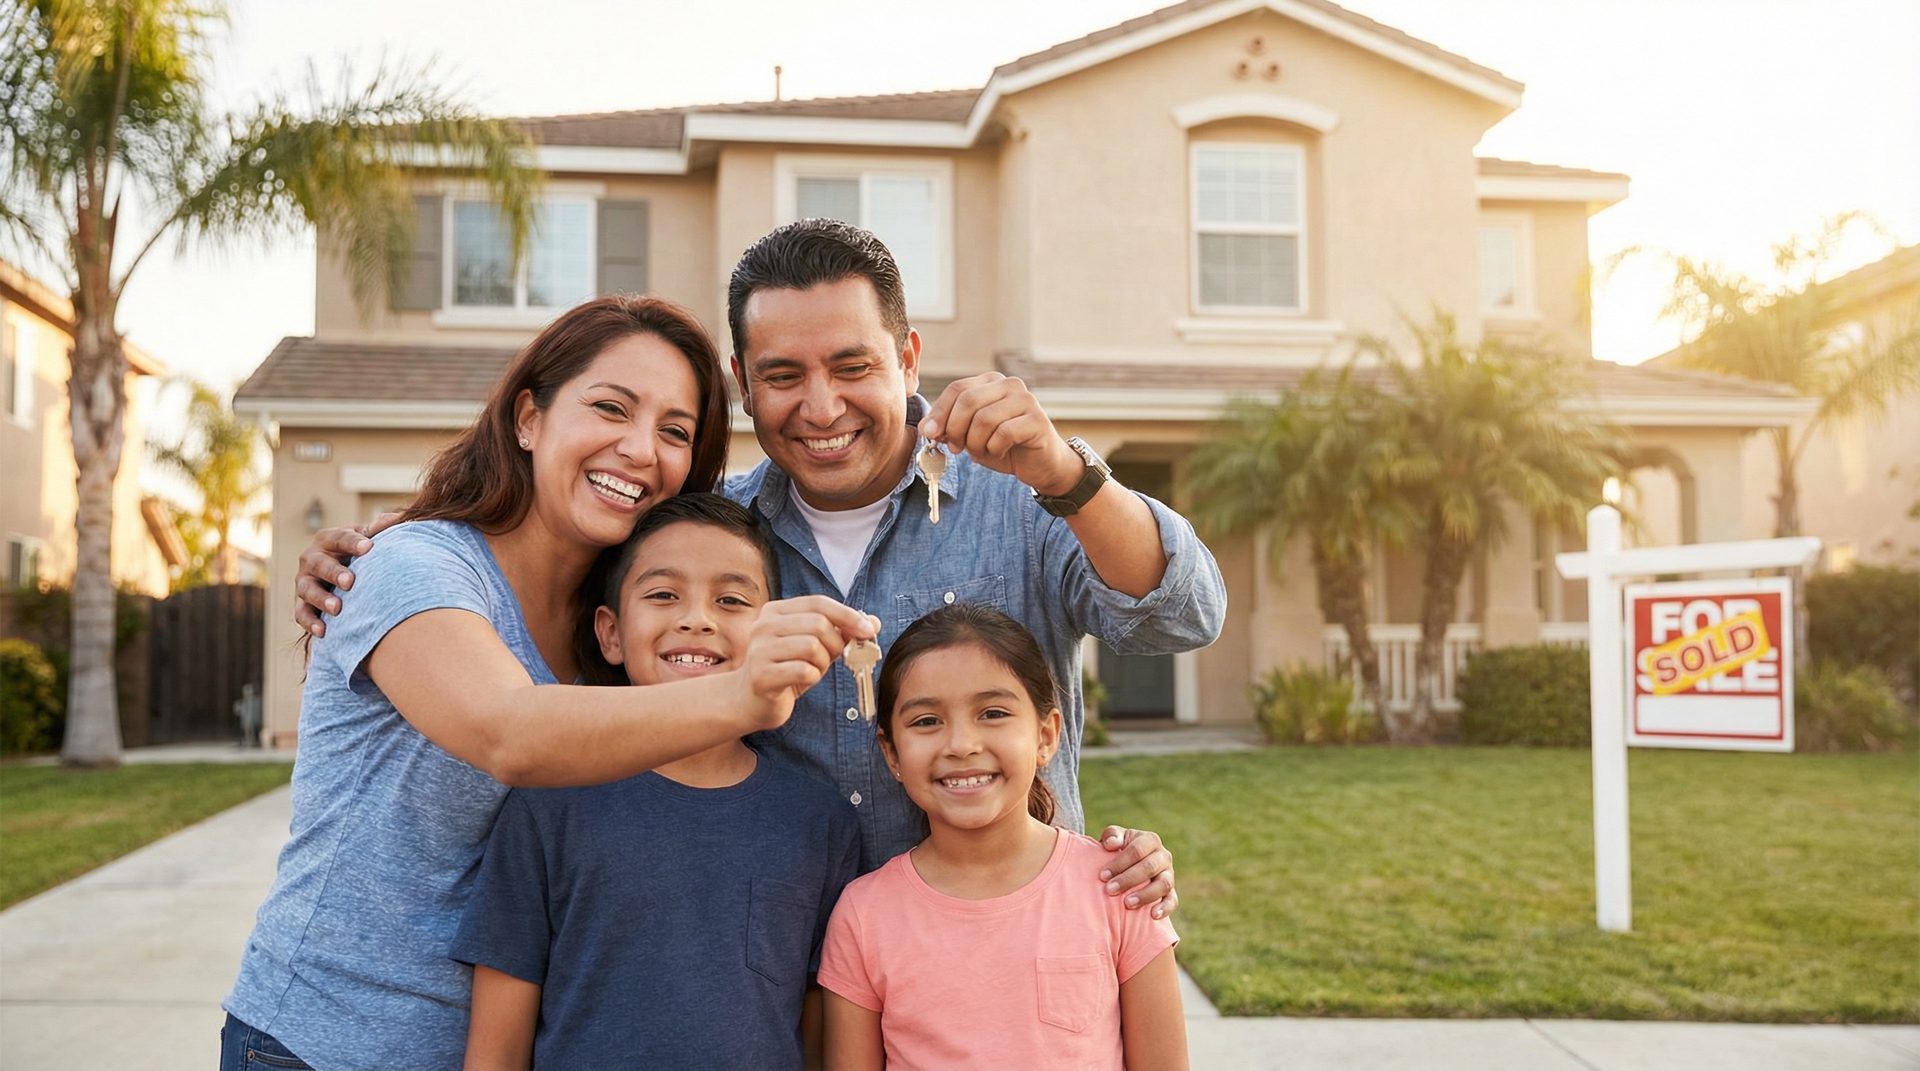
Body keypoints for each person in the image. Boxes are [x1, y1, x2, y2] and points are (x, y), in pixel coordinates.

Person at [295, 218, 1226, 911]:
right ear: (744, 385)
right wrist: (403, 541)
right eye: (783, 375)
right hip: (780, 987)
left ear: (908, 358)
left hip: (1004, 963)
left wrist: (1068, 471)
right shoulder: (702, 534)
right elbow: (559, 601)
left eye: (851, 365)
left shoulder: (1023, 493)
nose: (820, 406)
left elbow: (1184, 615)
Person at [221, 296, 876, 1071]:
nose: (640, 448)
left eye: (674, 430)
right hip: (328, 1041)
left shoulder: (612, 631)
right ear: (527, 418)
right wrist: (743, 694)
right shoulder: (411, 566)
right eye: (611, 407)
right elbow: (510, 731)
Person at [453, 494, 861, 1070]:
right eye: (664, 594)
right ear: (611, 633)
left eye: (732, 599)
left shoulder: (821, 822)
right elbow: (496, 1046)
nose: (697, 618)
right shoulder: (550, 800)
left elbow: (821, 1029)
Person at [819, 603, 1188, 1070]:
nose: (961, 744)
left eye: (992, 713)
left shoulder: (1119, 888)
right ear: (891, 752)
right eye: (926, 721)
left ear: (1046, 735)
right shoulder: (863, 915)